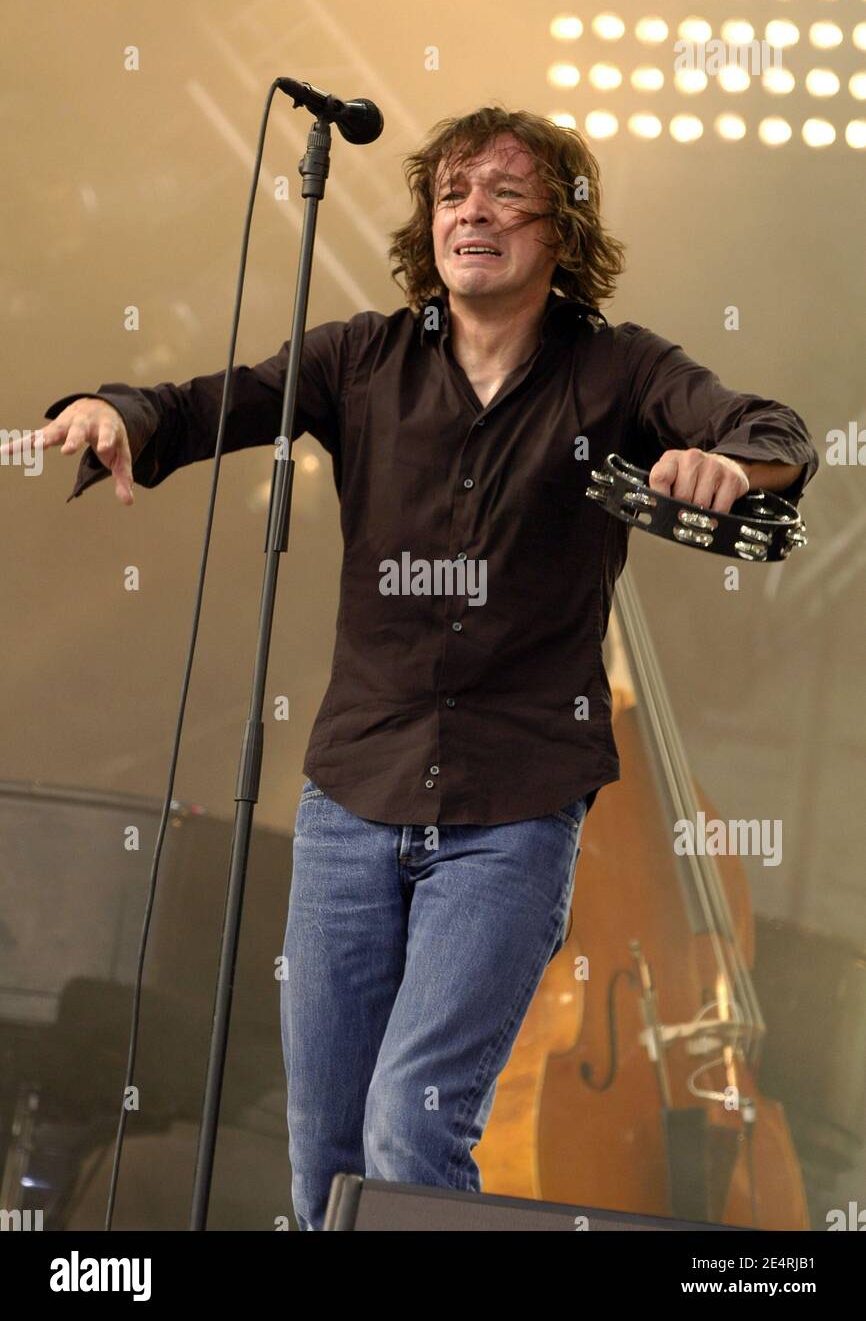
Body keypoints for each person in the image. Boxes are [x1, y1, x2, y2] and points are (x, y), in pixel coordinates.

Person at [13, 106, 818, 1230]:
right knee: (321, 1154)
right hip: (353, 794)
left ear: (561, 226)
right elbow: (211, 402)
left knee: (410, 1123)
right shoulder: (358, 358)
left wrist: (729, 462)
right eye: (449, 195)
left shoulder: (620, 370)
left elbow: (775, 429)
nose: (469, 213)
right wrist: (113, 409)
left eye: (500, 192)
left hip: (511, 810)